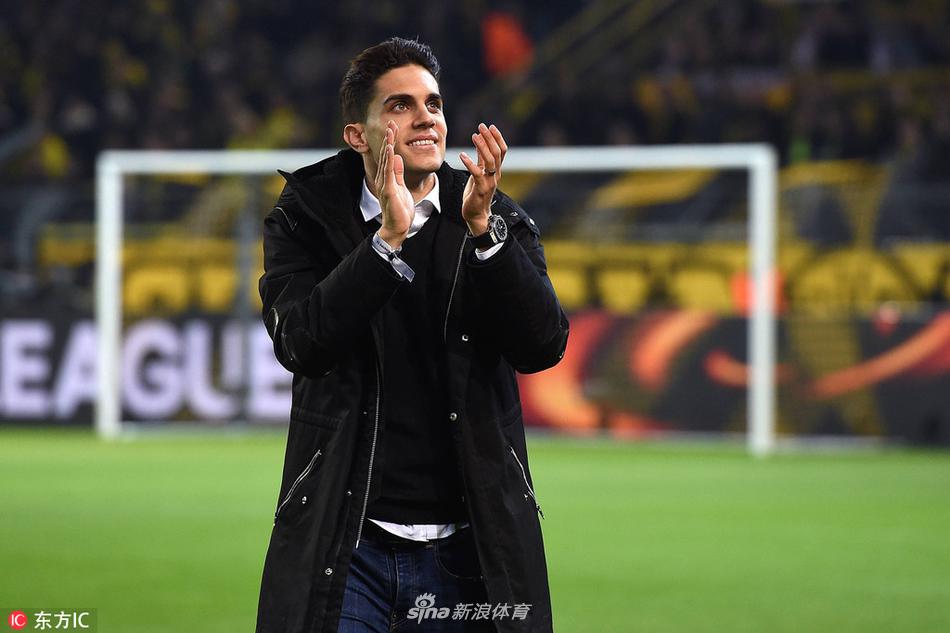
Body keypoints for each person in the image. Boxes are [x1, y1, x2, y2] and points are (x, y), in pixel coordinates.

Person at [256, 37, 569, 633]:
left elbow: (544, 345)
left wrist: (484, 235)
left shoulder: (491, 214)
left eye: (434, 104)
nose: (426, 117)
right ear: (359, 135)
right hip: (348, 546)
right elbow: (301, 344)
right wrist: (385, 244)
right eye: (401, 105)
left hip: (472, 548)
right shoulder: (306, 217)